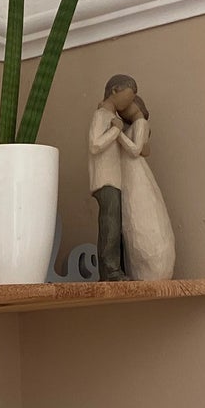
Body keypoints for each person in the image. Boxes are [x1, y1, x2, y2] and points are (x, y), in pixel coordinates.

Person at [117, 90, 176, 282]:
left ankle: (153, 268)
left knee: (140, 212)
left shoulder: (141, 123)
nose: (123, 110)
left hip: (135, 172)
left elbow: (134, 150)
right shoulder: (133, 126)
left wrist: (117, 132)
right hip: (128, 173)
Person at [87, 75, 138, 280]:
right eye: (129, 95)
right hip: (105, 178)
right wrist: (115, 130)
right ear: (115, 90)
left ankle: (120, 267)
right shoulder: (101, 116)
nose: (130, 101)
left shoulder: (112, 117)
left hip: (115, 178)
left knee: (118, 223)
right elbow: (95, 145)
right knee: (110, 223)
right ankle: (110, 270)